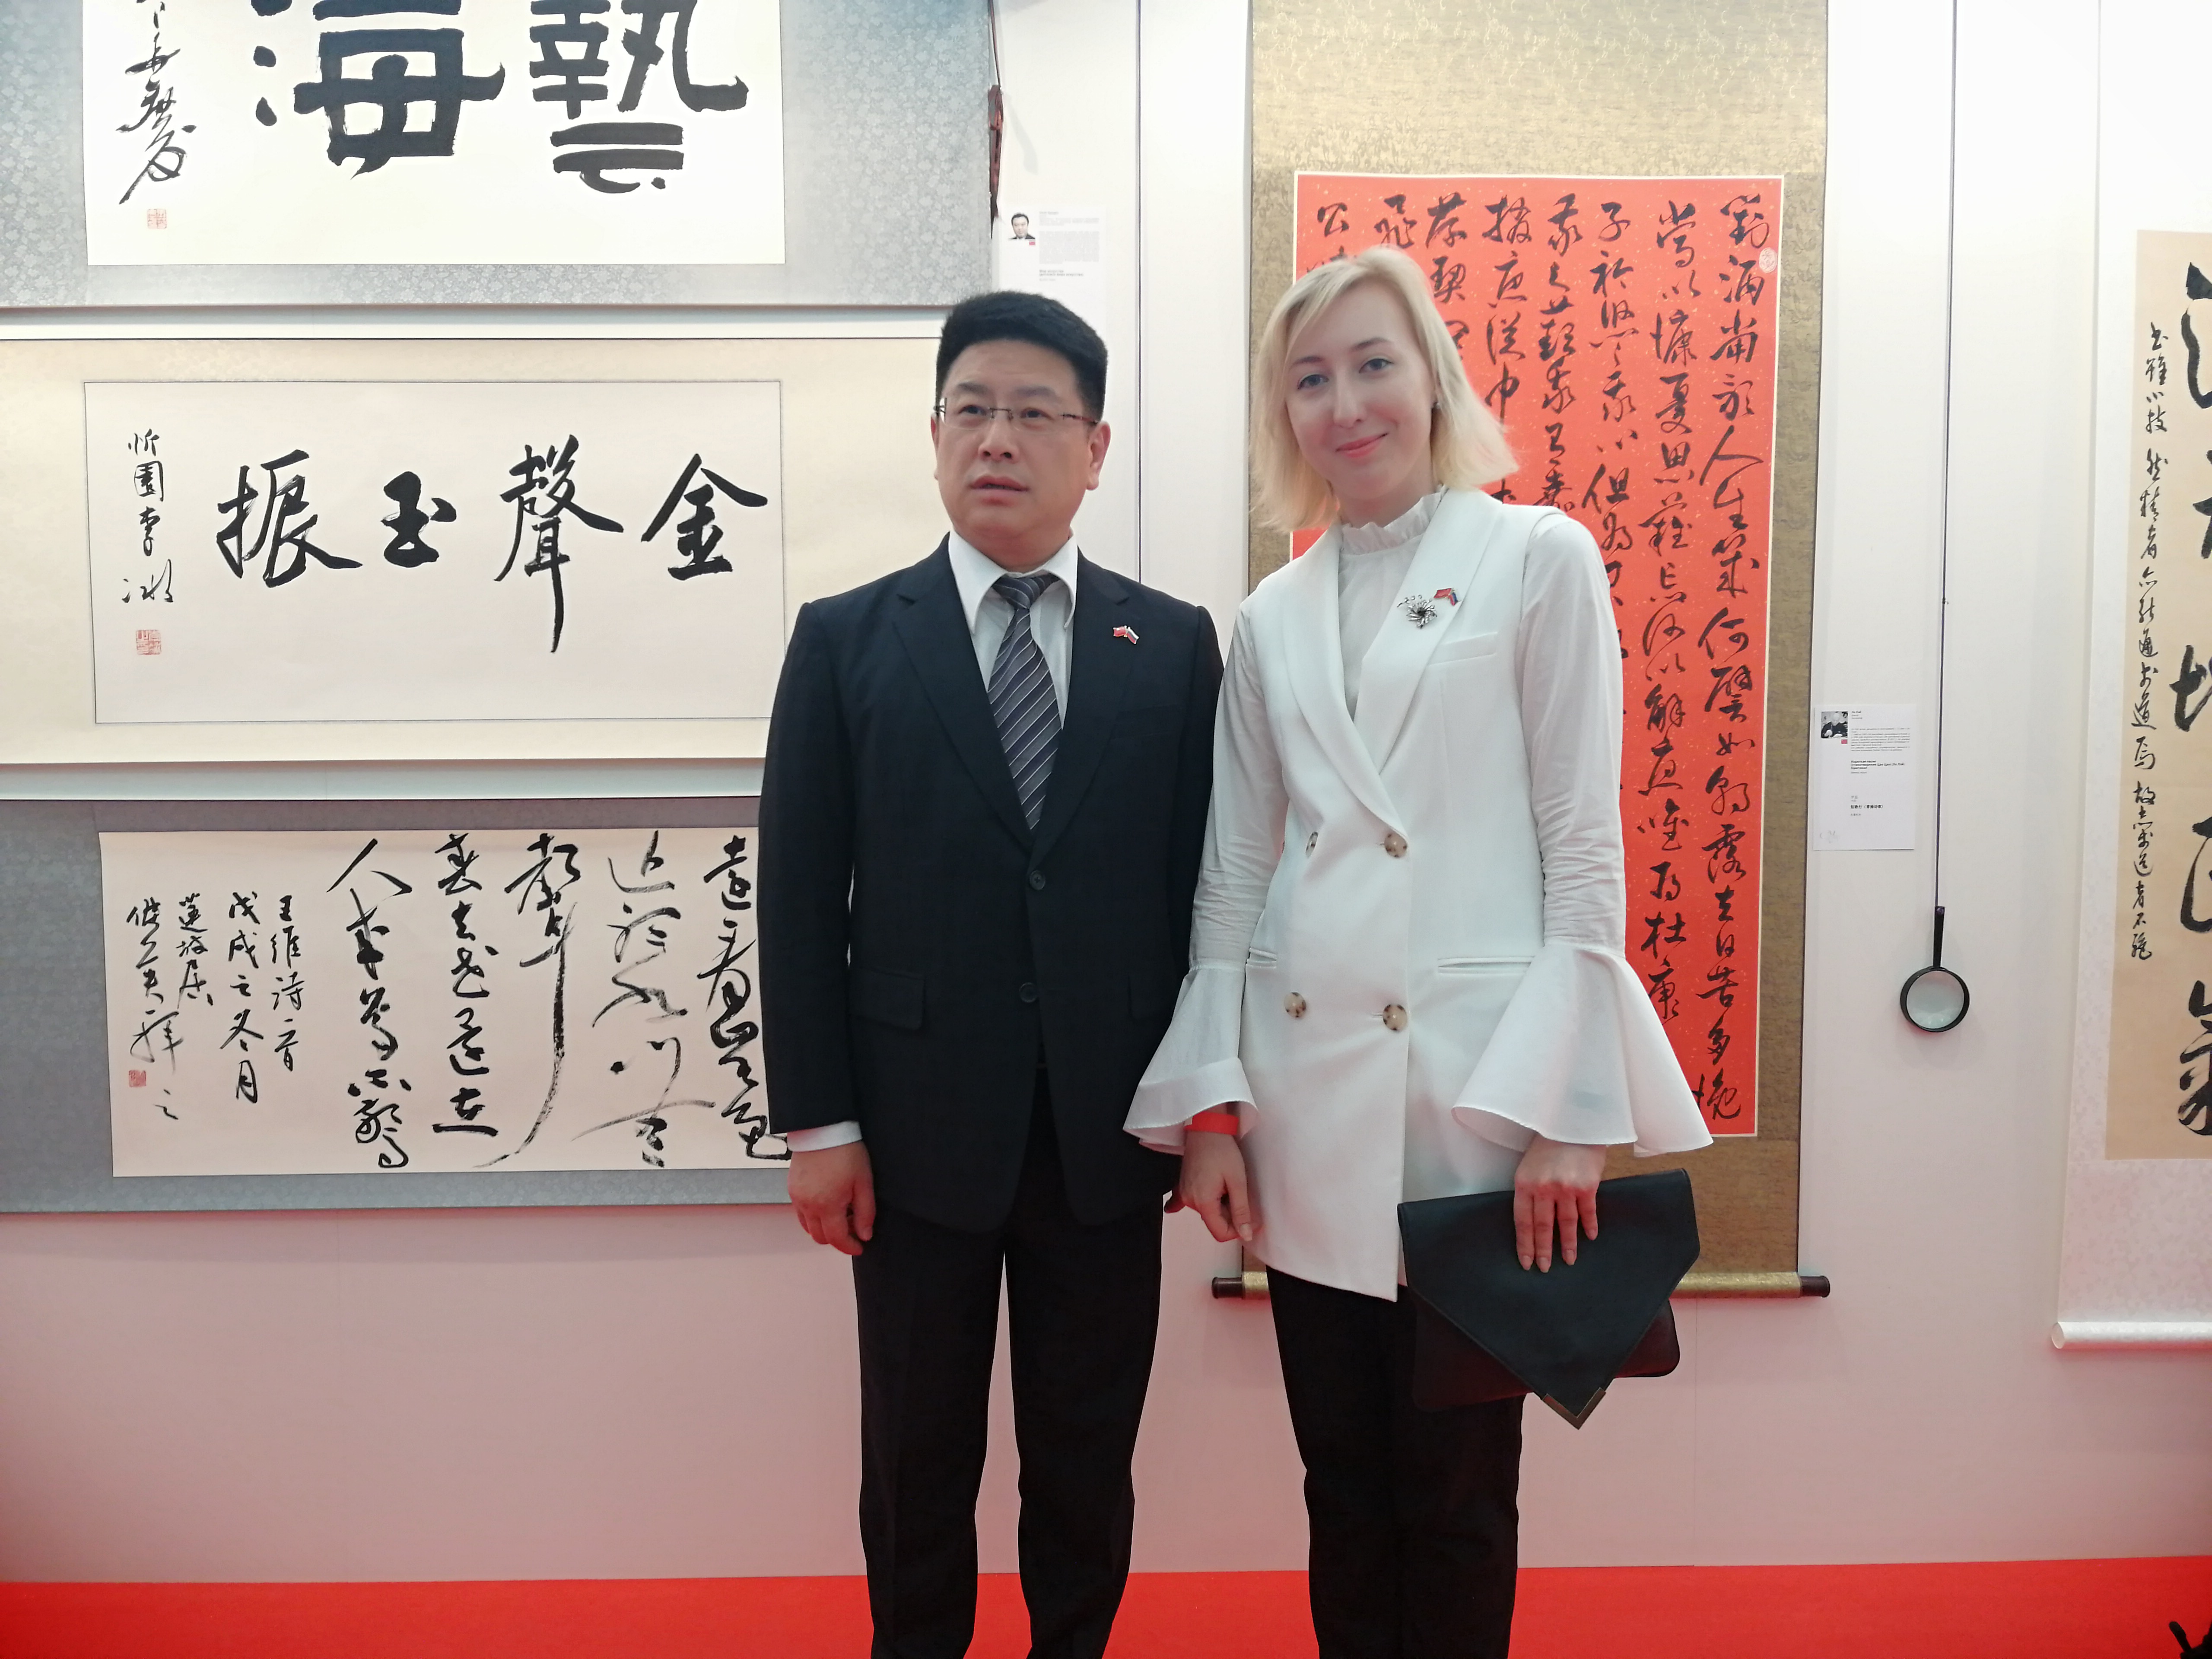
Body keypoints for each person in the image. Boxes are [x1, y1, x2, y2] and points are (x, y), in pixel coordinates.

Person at [1125, 245, 1712, 1658]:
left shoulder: (1536, 556)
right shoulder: (1271, 616)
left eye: (1374, 364)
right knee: (1341, 1484)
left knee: (1457, 1493)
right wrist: (1213, 1111)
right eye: (1310, 380)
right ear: (1285, 416)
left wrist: (1572, 1117)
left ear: (1434, 381)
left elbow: (1582, 847)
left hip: (1474, 1103)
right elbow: (1235, 876)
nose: (1347, 405)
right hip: (1309, 1101)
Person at [760, 289, 1222, 1659]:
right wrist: (821, 1126)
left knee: (1087, 1457)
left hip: (1107, 1130)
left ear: (1097, 447)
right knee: (916, 1460)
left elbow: (1207, 895)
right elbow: (798, 896)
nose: (999, 439)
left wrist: (1207, 1111)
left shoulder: (1171, 644)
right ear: (935, 435)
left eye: (1034, 413)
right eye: (972, 409)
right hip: (911, 1139)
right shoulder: (847, 638)